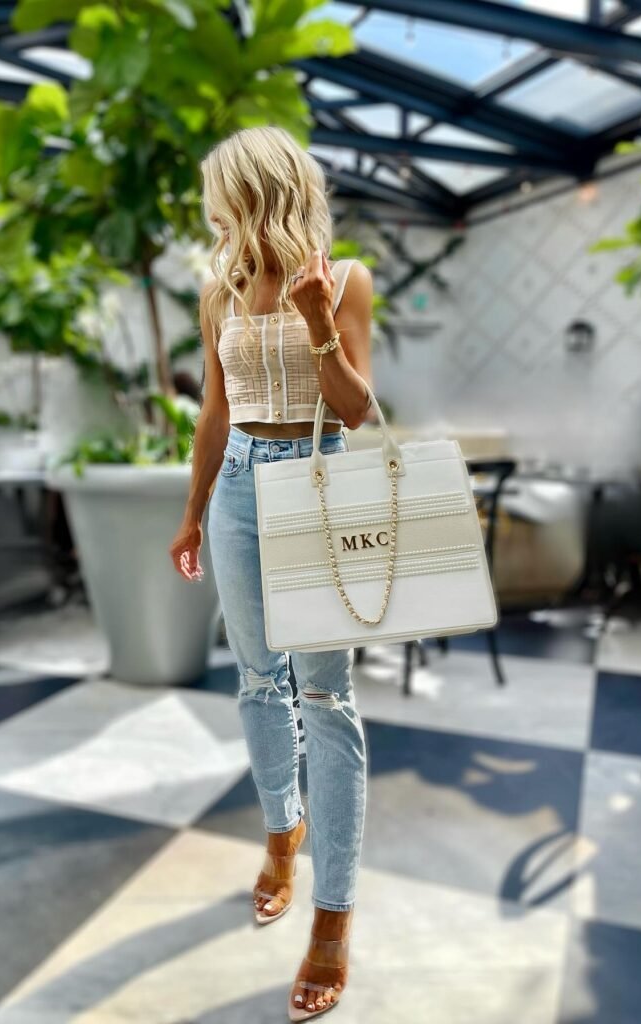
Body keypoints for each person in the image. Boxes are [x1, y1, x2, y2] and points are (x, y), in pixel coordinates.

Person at [169, 124, 374, 1021]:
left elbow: (361, 414)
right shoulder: (217, 287)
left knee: (325, 700)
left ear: (256, 189)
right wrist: (192, 510)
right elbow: (215, 412)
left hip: (322, 479)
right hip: (242, 489)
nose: (213, 210)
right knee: (259, 683)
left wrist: (322, 325)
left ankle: (332, 920)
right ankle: (281, 835)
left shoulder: (344, 276)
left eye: (222, 192)